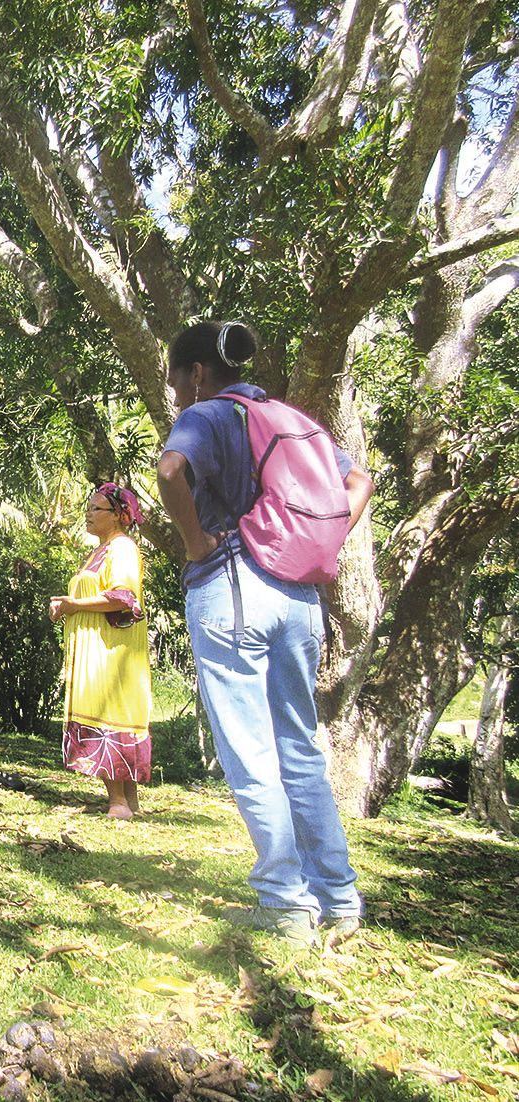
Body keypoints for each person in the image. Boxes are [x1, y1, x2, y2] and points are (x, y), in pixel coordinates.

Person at [157, 320, 373, 948]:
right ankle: (338, 898)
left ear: (198, 372)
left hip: (233, 588)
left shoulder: (210, 413)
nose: (174, 392)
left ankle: (284, 905)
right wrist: (325, 540)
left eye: (176, 378)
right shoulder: (289, 417)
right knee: (300, 750)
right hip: (300, 598)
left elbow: (172, 471)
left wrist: (196, 542)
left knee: (250, 753)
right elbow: (360, 482)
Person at [49, 484, 154, 820]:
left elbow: (124, 598)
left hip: (111, 653)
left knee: (110, 714)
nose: (89, 514)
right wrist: (67, 608)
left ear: (119, 516)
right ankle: (128, 800)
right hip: (97, 649)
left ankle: (118, 802)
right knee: (110, 713)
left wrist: (73, 605)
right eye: (89, 508)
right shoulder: (100, 550)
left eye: (97, 509)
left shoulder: (121, 548)